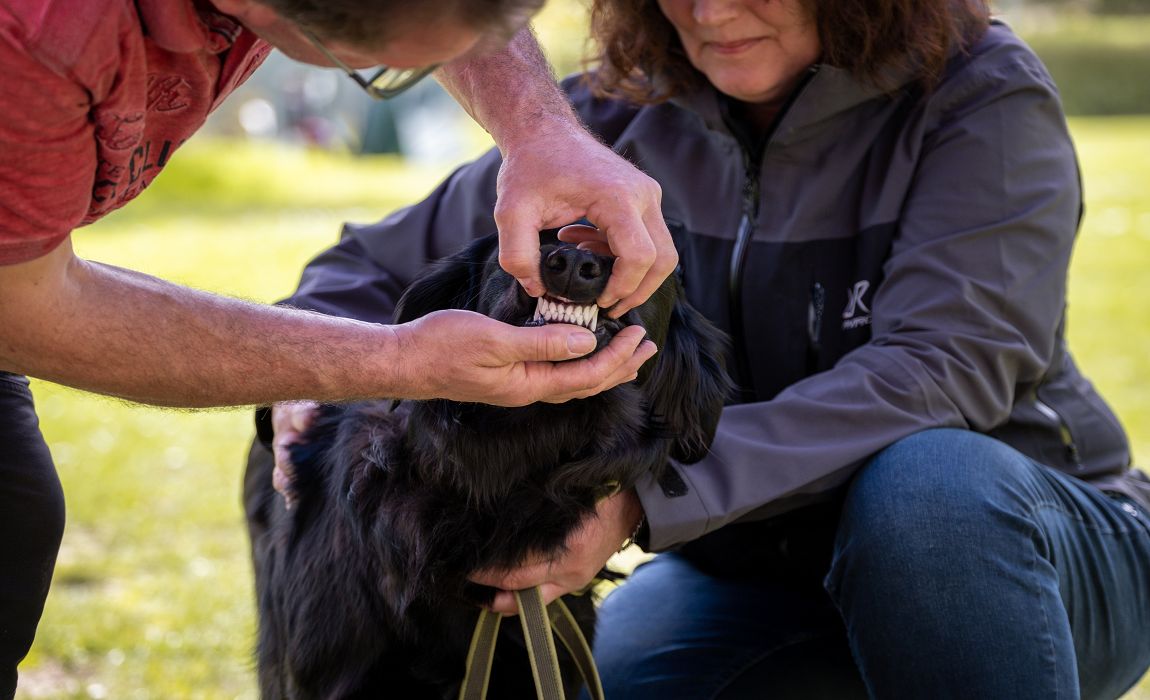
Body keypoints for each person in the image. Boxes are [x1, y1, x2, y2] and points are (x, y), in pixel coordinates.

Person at [256, 0, 1150, 696]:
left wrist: (642, 502)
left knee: (927, 491)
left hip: (1022, 550)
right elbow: (362, 270)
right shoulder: (610, 116)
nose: (709, 14)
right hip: (752, 572)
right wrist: (309, 381)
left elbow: (944, 367)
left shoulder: (981, 95)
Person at [0, 0, 685, 694]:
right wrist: (395, 362)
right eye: (389, 72)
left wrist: (540, 134)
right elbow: (21, 310)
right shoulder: (37, 38)